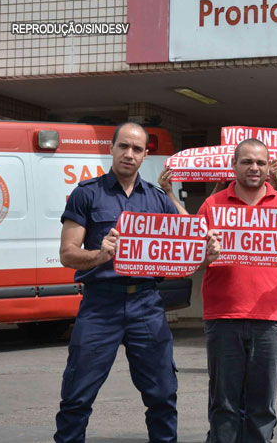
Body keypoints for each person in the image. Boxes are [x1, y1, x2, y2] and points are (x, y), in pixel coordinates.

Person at [55, 122, 220, 443]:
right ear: (112, 149)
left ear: (146, 155)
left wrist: (206, 255)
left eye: (137, 149)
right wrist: (100, 255)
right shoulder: (87, 193)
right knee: (77, 395)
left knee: (162, 395)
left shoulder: (158, 200)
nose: (129, 154)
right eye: (123, 147)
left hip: (146, 304)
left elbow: (183, 256)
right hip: (100, 304)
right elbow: (67, 254)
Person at [197, 138, 277, 442]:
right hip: (223, 317)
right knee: (224, 404)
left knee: (263, 406)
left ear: (268, 168)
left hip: (270, 319)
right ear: (233, 166)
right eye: (247, 161)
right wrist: (205, 255)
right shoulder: (212, 206)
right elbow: (192, 259)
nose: (254, 168)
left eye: (261, 163)